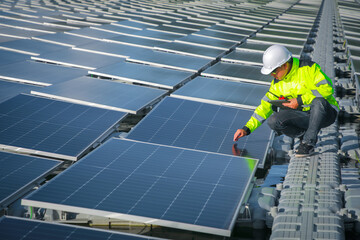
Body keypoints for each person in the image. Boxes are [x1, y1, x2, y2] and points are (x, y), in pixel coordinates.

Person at [233, 44, 339, 157]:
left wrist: (300, 100)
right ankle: (305, 136)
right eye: (270, 72)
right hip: (304, 116)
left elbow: (327, 89)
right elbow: (265, 106)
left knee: (319, 102)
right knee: (273, 121)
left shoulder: (309, 68)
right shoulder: (277, 84)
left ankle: (308, 144)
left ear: (284, 65)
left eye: (274, 71)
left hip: (325, 113)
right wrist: (247, 128)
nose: (273, 75)